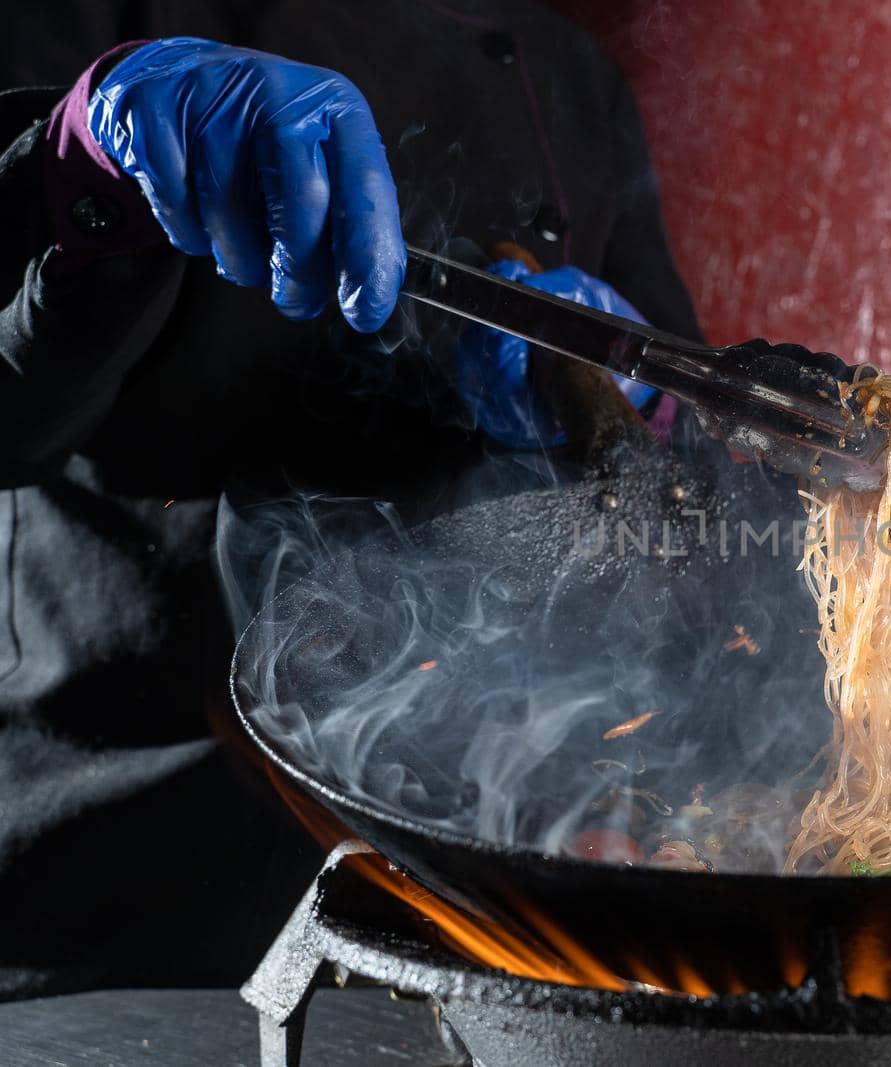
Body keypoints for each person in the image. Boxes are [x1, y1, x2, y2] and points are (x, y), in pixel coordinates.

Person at [0, 1, 699, 998]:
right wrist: (80, 169)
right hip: (128, 888)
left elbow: (669, 427)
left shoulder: (565, 70)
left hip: (460, 896)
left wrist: (633, 394)